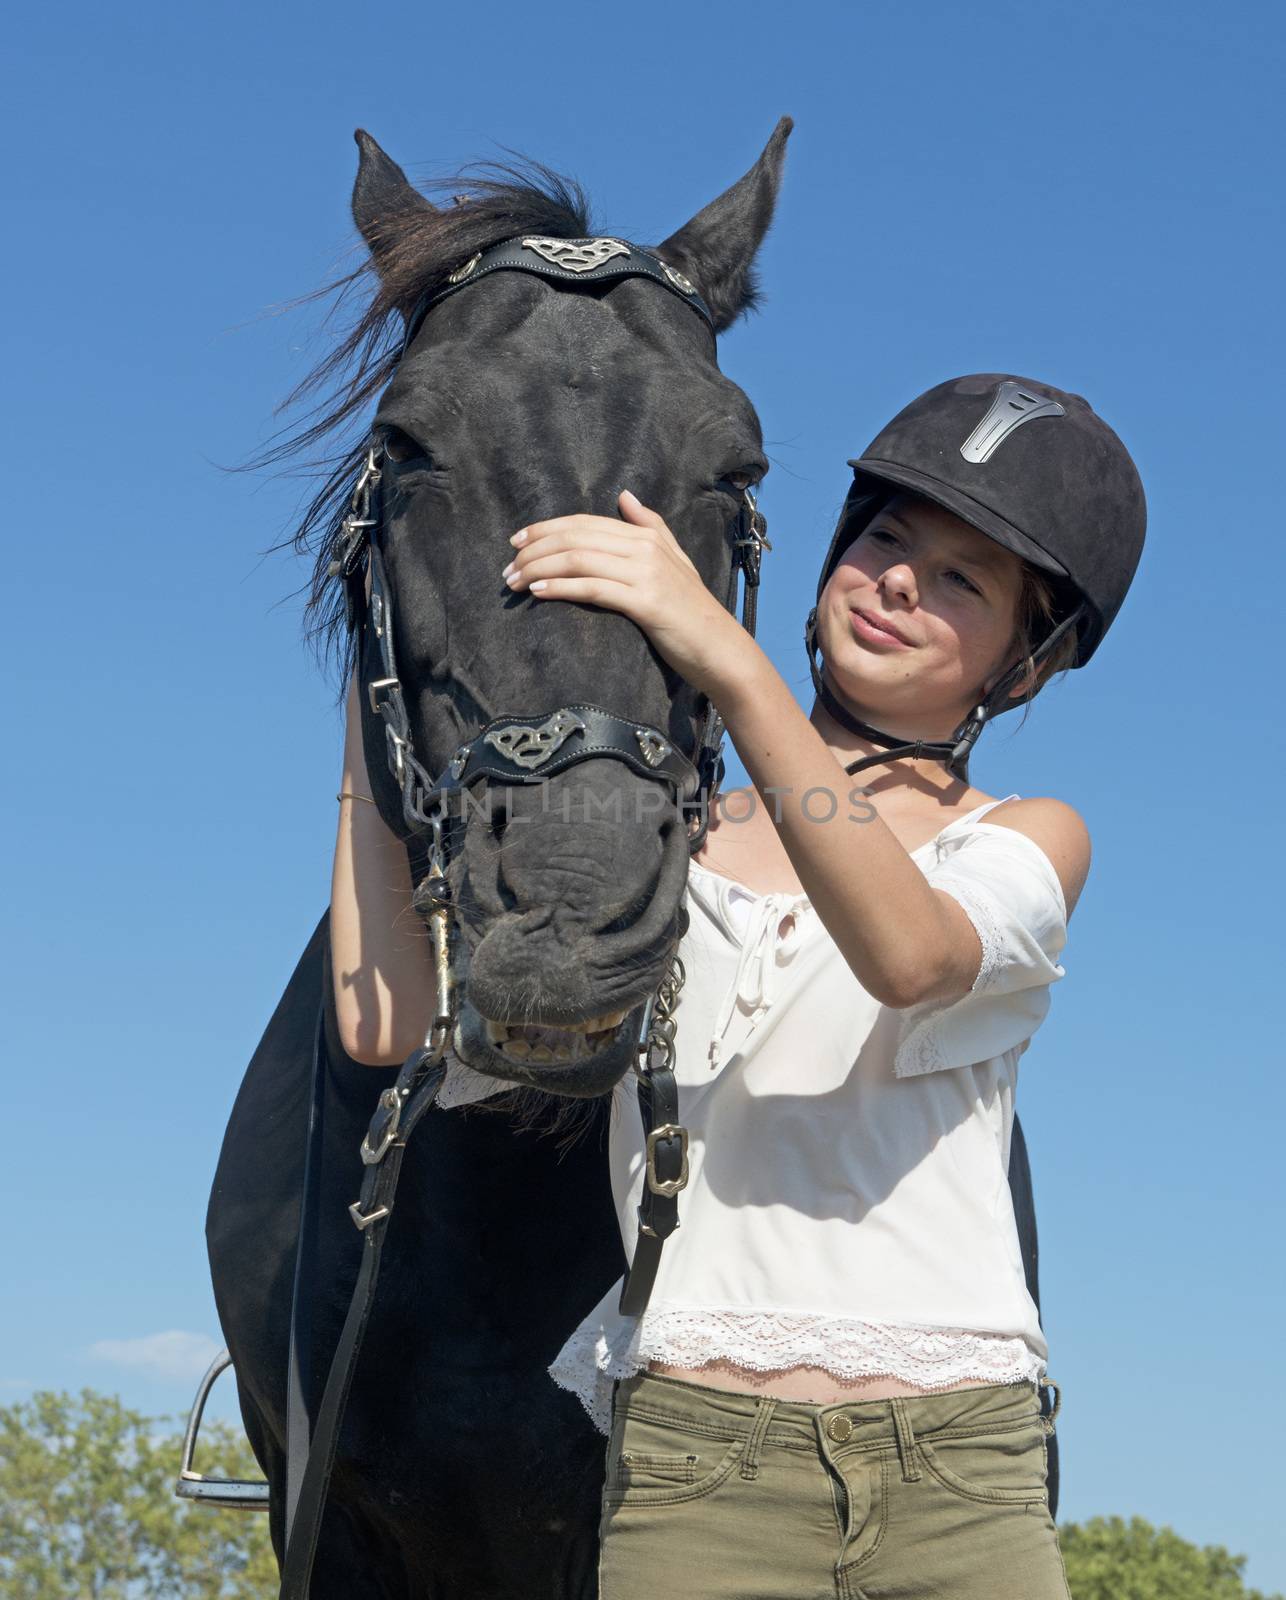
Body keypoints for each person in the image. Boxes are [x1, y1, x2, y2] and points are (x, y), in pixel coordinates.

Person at [331, 372, 1146, 1599]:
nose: (898, 582)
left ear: (1023, 669)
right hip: (698, 1466)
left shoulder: (1023, 838)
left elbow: (907, 955)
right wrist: (377, 686)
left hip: (961, 1464)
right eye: (884, 536)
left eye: (965, 580)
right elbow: (385, 1015)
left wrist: (721, 654)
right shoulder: (660, 841)